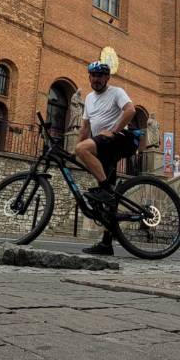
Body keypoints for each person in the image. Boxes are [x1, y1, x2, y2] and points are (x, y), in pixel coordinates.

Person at [74, 60, 139, 257]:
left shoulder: (116, 92)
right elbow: (85, 128)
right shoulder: (89, 98)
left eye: (100, 76)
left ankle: (104, 189)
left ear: (107, 78)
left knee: (85, 152)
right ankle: (106, 243)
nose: (97, 79)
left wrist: (114, 130)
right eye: (93, 75)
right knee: (109, 199)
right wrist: (75, 150)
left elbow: (131, 110)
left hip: (118, 139)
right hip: (102, 145)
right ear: (89, 77)